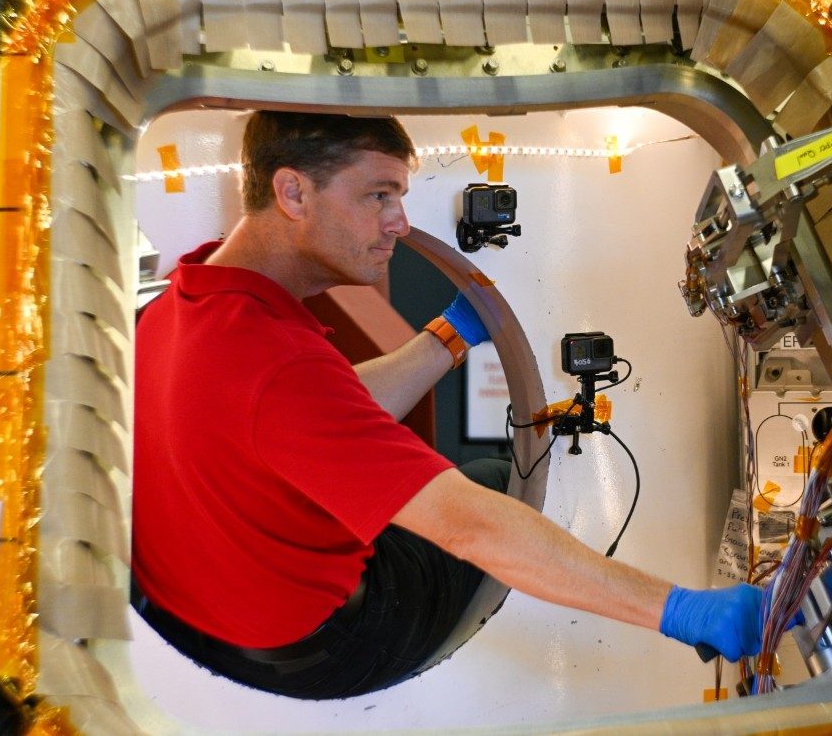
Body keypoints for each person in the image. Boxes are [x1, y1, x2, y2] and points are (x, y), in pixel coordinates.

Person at [132, 110, 762, 700]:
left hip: (204, 625)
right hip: (321, 647)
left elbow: (326, 412)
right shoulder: (278, 366)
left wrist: (452, 333)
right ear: (293, 194)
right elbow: (472, 528)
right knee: (496, 487)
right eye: (378, 195)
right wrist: (678, 608)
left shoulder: (174, 308)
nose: (400, 223)